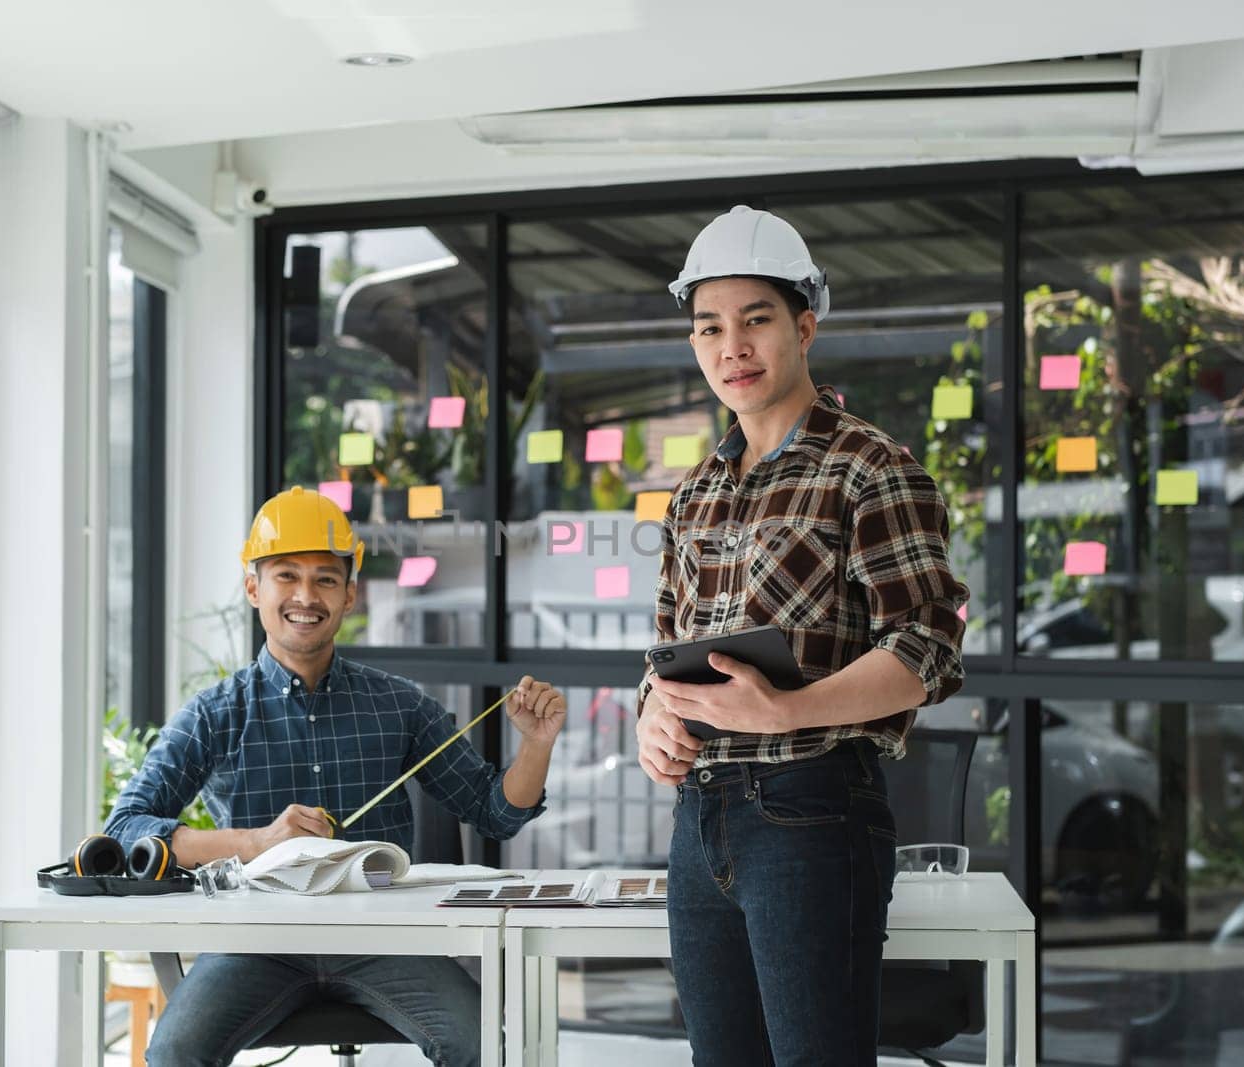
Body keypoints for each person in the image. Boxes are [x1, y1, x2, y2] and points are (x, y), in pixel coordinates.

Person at [635, 205, 967, 1066]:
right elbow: (665, 647)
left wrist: (786, 711)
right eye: (710, 327)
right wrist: (653, 721)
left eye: (756, 320)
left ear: (805, 325)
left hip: (812, 812)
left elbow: (928, 644)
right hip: (698, 818)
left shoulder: (872, 468)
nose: (731, 347)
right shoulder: (694, 492)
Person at [107, 486, 566, 1067]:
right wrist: (255, 843)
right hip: (256, 944)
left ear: (350, 594)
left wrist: (537, 745)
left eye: (326, 578)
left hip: (385, 940)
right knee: (174, 1051)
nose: (306, 596)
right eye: (286, 576)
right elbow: (126, 828)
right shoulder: (214, 714)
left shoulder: (400, 706)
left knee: (480, 1043)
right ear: (254, 589)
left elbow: (495, 811)